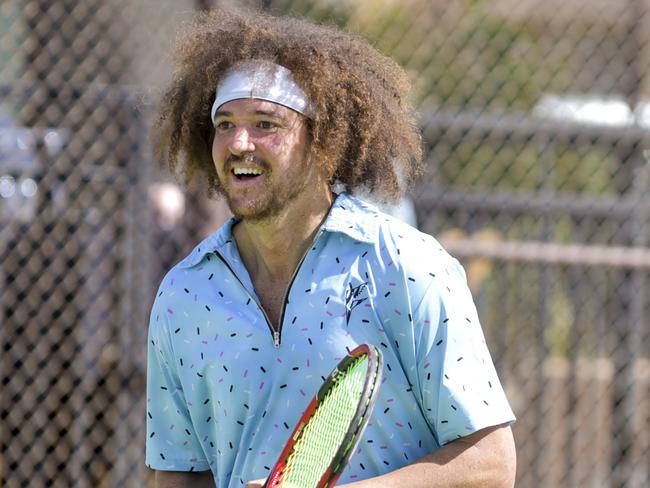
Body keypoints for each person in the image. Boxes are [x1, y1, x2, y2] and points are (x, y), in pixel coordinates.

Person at [146, 6, 516, 488]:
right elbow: (176, 473)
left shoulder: (408, 267)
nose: (239, 142)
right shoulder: (184, 296)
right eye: (225, 123)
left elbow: (490, 464)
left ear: (322, 143)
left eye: (265, 123)